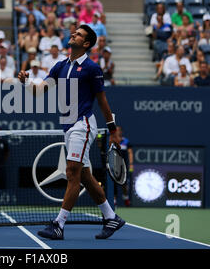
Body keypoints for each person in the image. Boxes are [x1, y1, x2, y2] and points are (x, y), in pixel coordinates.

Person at [18, 24, 125, 240]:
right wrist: (27, 81)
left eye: (78, 34)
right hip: (68, 127)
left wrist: (112, 129)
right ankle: (111, 216)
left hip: (82, 124)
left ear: (85, 44)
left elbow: (102, 101)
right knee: (84, 175)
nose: (73, 34)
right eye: (74, 32)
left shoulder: (92, 69)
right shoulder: (59, 66)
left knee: (72, 172)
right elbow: (40, 91)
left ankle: (58, 224)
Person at [116, 126, 133, 207]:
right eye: (116, 130)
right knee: (113, 184)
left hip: (124, 166)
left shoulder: (126, 141)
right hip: (114, 165)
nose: (117, 131)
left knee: (124, 184)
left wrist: (131, 164)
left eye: (119, 130)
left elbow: (130, 153)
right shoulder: (112, 141)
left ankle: (126, 198)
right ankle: (114, 201)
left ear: (121, 132)